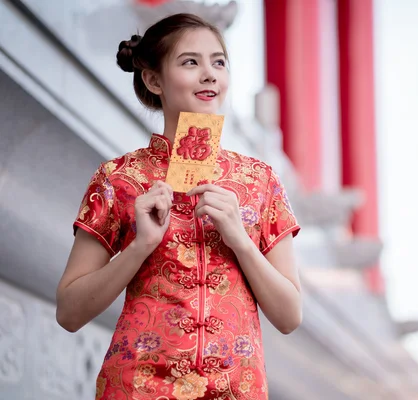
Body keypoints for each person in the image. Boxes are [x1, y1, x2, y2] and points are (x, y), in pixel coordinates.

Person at [55, 13, 302, 400]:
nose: (209, 74)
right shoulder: (120, 178)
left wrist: (239, 238)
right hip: (138, 386)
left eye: (218, 62)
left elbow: (290, 316)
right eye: (190, 62)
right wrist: (139, 247)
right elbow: (69, 312)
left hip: (235, 389)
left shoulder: (260, 180)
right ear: (154, 80)